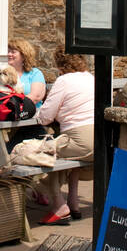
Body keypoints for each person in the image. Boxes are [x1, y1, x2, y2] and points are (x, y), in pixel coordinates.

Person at [34, 49, 95, 225]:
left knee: (45, 154)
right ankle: (73, 202)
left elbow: (45, 117)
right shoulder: (90, 78)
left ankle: (59, 205)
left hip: (81, 140)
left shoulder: (63, 81)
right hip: (100, 142)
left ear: (60, 63)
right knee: (69, 156)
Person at [0, 38, 47, 149]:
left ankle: (7, 153)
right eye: (8, 51)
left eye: (13, 52)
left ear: (24, 54)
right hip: (4, 114)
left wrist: (14, 105)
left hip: (29, 116)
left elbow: (35, 97)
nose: (9, 54)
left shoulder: (35, 73)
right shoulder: (0, 70)